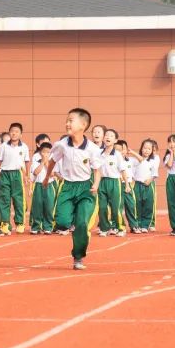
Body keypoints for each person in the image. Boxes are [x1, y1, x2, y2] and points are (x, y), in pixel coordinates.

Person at [44, 108, 103, 270]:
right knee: (62, 222)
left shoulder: (92, 149)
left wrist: (96, 184)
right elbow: (52, 161)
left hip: (85, 189)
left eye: (71, 120)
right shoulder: (61, 145)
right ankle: (71, 224)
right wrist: (47, 176)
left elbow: (97, 170)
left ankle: (78, 257)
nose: (67, 123)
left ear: (83, 125)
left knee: (82, 224)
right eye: (67, 120)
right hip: (68, 187)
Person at [0, 122, 29, 235]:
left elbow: (26, 162)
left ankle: (20, 223)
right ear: (9, 133)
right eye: (12, 131)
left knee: (18, 199)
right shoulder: (3, 146)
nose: (14, 133)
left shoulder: (24, 147)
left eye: (17, 131)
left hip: (17, 174)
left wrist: (26, 175)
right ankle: (5, 223)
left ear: (21, 134)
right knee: (4, 199)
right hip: (5, 173)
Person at [96, 128, 126, 237]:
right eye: (106, 135)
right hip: (102, 181)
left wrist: (126, 184)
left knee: (115, 207)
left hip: (115, 182)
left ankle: (120, 228)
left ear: (115, 140)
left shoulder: (117, 154)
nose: (108, 137)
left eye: (111, 136)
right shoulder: (99, 153)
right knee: (102, 207)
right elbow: (97, 169)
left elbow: (123, 170)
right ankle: (104, 228)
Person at [128, 139, 159, 233]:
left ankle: (146, 225)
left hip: (148, 184)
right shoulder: (135, 159)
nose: (146, 150)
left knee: (148, 205)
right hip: (137, 184)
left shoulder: (155, 159)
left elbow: (154, 172)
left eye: (149, 149)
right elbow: (132, 172)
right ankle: (138, 224)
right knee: (137, 204)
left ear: (152, 150)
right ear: (141, 148)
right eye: (145, 148)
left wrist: (150, 180)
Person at [29, 141, 55, 234]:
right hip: (39, 185)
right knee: (37, 206)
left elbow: (52, 174)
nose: (46, 154)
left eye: (48, 152)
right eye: (44, 152)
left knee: (48, 207)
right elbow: (35, 172)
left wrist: (47, 162)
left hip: (49, 186)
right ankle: (36, 226)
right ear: (40, 152)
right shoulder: (36, 162)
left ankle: (47, 226)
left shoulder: (53, 162)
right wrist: (42, 162)